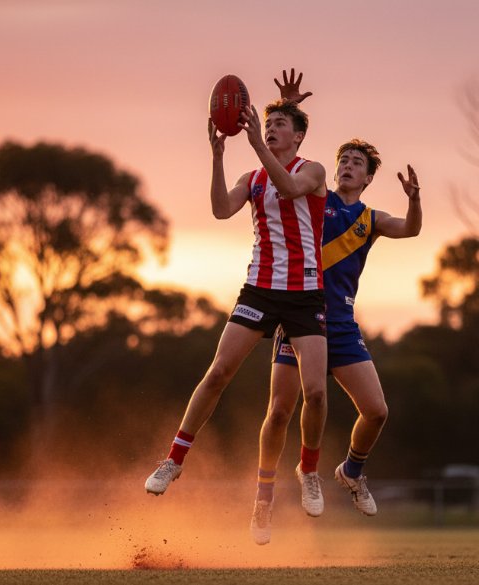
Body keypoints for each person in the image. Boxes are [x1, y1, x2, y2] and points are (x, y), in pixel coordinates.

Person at [248, 72, 423, 546]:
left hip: (340, 324)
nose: (347, 165)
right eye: (343, 158)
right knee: (280, 410)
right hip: (299, 315)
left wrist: (416, 201)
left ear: (368, 177)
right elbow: (288, 155)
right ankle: (264, 498)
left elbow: (410, 229)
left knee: (377, 410)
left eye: (357, 162)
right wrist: (284, 106)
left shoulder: (369, 219)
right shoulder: (316, 198)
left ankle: (351, 470)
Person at [144, 75, 330, 515]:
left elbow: (288, 187)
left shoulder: (313, 171)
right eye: (269, 123)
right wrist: (217, 156)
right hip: (260, 289)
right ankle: (174, 459)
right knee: (220, 371)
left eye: (281, 123)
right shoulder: (253, 177)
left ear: (299, 135)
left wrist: (259, 142)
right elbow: (220, 210)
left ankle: (310, 471)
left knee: (316, 394)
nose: (271, 128)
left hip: (305, 294)